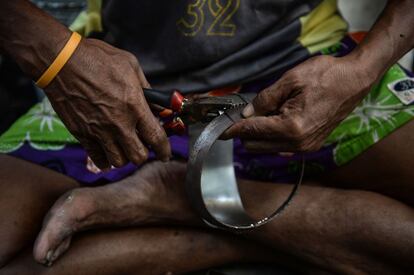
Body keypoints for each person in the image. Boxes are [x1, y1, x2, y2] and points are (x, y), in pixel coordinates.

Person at [0, 0, 413, 274]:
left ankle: (173, 195)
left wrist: (361, 69)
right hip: (119, 83)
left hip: (304, 73)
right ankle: (243, 227)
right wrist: (58, 58)